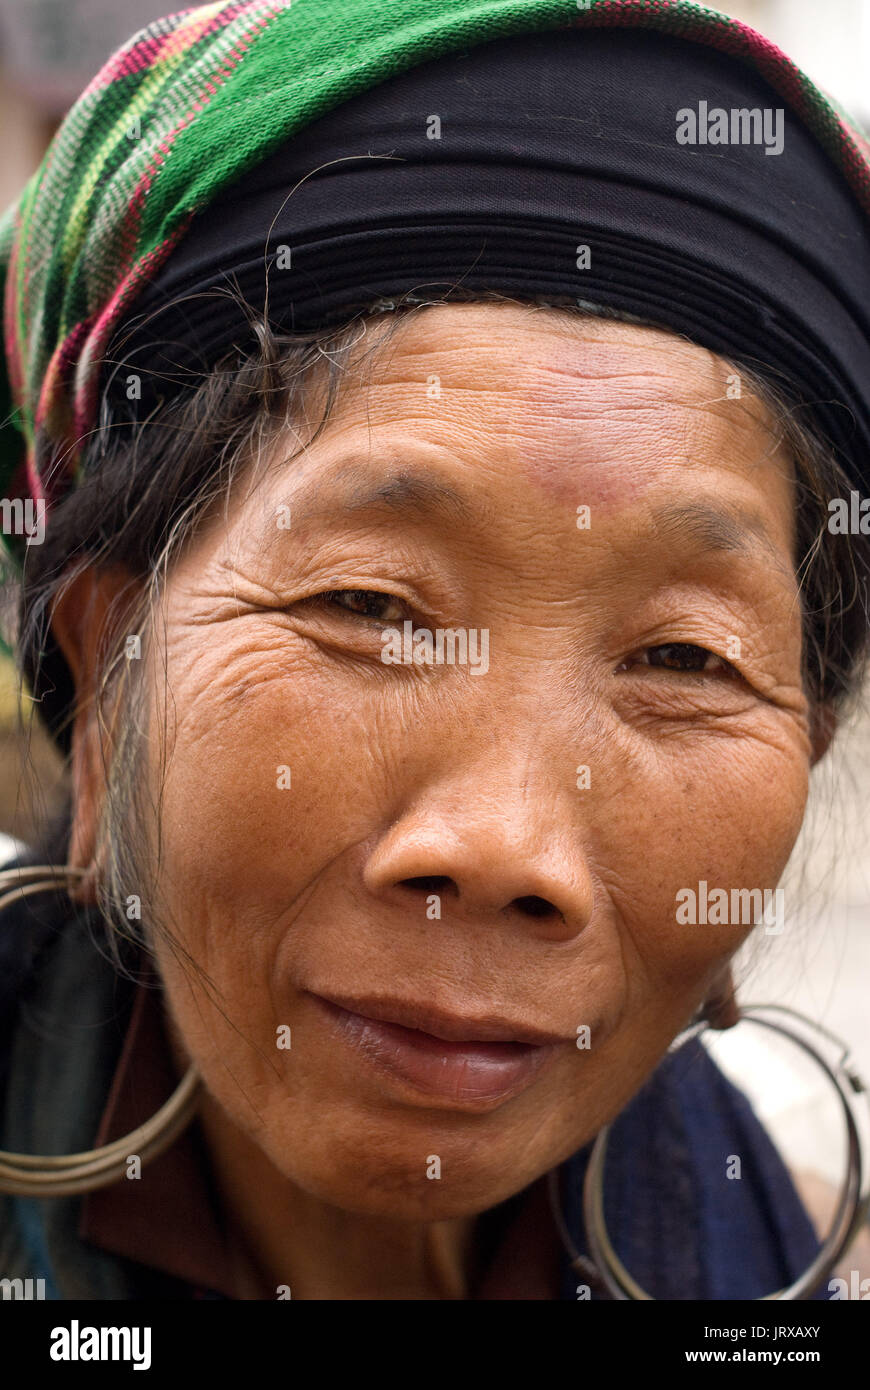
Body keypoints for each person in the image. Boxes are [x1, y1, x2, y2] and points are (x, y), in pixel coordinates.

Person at [0, 0, 868, 1301]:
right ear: (112, 675)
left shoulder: (775, 1238)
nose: (503, 849)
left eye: (683, 661)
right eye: (368, 606)